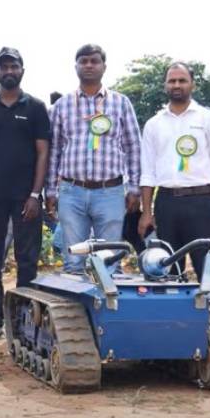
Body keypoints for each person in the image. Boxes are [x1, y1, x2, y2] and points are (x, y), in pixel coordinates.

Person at [0, 48, 50, 343]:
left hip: (25, 198)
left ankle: (25, 321)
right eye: (3, 66)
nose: (8, 71)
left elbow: (43, 153)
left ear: (22, 70)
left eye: (13, 66)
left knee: (27, 259)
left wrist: (35, 194)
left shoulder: (36, 107)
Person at [45, 44, 142, 274]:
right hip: (72, 192)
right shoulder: (63, 105)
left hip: (110, 191)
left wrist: (135, 189)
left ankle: (109, 309)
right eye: (83, 61)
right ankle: (75, 310)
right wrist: (50, 191)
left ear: (104, 66)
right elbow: (54, 150)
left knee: (109, 261)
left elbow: (133, 146)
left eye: (94, 61)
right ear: (76, 66)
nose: (89, 65)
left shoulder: (120, 102)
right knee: (73, 260)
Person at [138, 62, 210, 277]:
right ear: (165, 85)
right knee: (167, 267)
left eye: (182, 80)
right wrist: (146, 213)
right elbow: (148, 172)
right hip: (166, 202)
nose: (177, 85)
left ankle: (208, 306)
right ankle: (171, 311)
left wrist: (207, 198)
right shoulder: (154, 124)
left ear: (193, 85)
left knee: (205, 266)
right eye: (172, 81)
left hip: (201, 202)